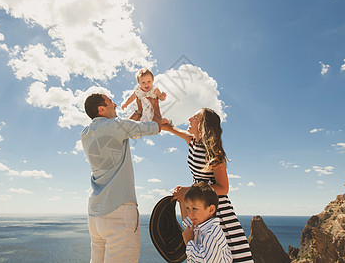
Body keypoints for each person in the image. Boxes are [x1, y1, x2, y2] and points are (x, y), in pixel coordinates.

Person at [162, 108, 253, 263]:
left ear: (204, 125)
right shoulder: (192, 141)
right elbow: (171, 128)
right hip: (201, 205)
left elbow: (223, 188)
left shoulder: (213, 151)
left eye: (195, 117)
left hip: (217, 210)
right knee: (203, 253)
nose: (190, 118)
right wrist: (159, 123)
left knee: (232, 256)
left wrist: (190, 191)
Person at [81, 93, 162, 262]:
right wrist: (155, 105)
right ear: (102, 109)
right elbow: (155, 127)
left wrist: (138, 112)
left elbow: (123, 129)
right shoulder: (117, 126)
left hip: (96, 216)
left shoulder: (86, 133)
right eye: (111, 102)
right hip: (119, 211)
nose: (115, 104)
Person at [181, 182, 233, 263]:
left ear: (211, 209)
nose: (190, 213)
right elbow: (186, 222)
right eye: (188, 208)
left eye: (194, 208)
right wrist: (180, 199)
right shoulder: (198, 225)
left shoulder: (212, 233)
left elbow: (204, 261)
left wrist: (189, 243)